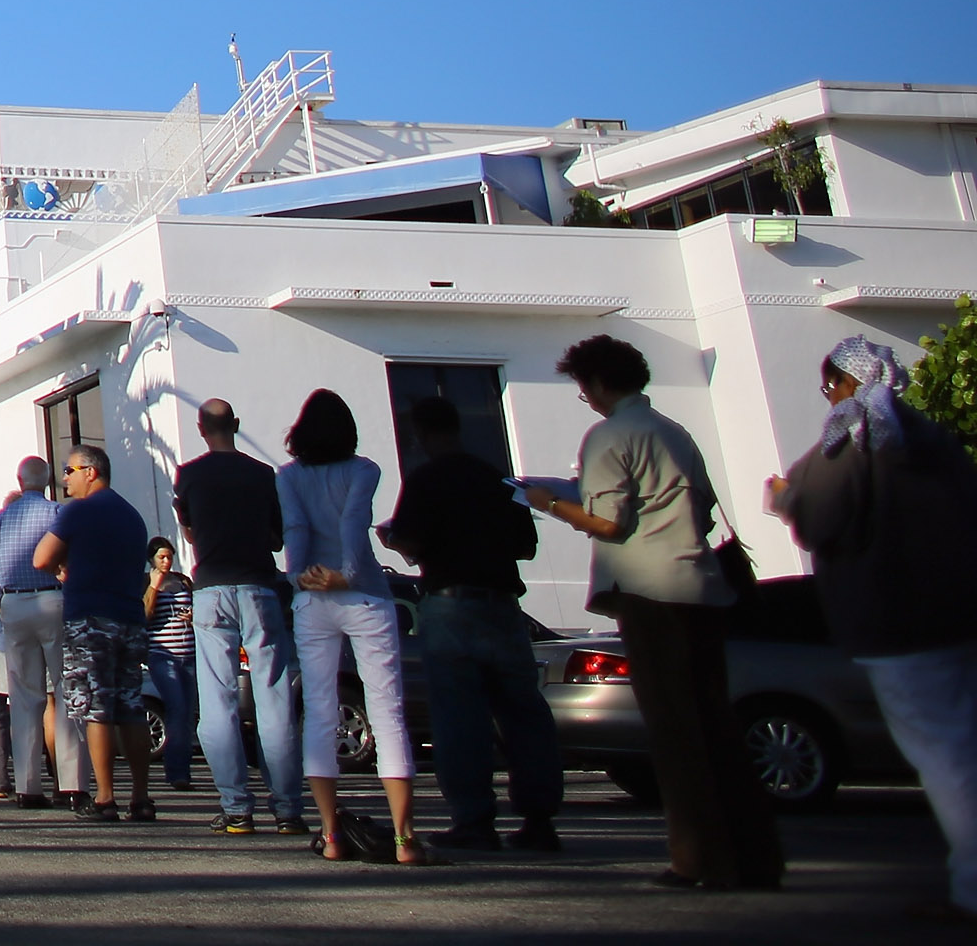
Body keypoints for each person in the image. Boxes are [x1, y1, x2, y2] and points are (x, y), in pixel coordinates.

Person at [523, 333, 780, 892]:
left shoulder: (609, 436)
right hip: (701, 587)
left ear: (595, 383)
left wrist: (552, 504)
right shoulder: (675, 431)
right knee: (717, 726)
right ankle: (754, 854)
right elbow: (705, 508)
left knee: (675, 732)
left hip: (648, 591)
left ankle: (697, 859)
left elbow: (609, 523)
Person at [768, 336, 977, 920]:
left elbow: (823, 521)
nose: (826, 396)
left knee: (945, 756)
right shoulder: (929, 437)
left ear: (844, 382)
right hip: (959, 610)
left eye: (828, 385)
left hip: (898, 621)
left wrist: (787, 501)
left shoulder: (851, 439)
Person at [382, 394, 564, 854]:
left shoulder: (425, 480)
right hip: (503, 604)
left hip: (450, 602)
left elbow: (411, 538)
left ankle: (474, 818)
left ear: (420, 434)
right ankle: (539, 818)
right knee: (524, 712)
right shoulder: (495, 479)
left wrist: (396, 541)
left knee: (460, 717)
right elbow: (526, 545)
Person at [280, 389, 429, 866]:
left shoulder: (288, 476)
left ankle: (331, 833)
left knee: (320, 713)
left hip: (312, 595)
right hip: (363, 593)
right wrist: (346, 571)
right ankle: (405, 839)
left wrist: (298, 576)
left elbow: (295, 528)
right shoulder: (365, 470)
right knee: (386, 709)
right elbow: (354, 520)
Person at [174, 397, 303, 836]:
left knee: (217, 701)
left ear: (200, 428)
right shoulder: (264, 474)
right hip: (258, 585)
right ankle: (287, 808)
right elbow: (275, 538)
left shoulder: (189, 475)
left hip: (211, 587)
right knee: (274, 698)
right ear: (237, 424)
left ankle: (236, 806)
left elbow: (189, 531)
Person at [33, 444, 156, 823]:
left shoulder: (79, 512)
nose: (64, 480)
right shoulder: (133, 516)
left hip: (91, 619)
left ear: (91, 471)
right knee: (131, 707)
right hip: (129, 617)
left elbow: (41, 558)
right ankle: (141, 796)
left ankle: (105, 797)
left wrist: (64, 567)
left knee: (97, 708)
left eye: (69, 471)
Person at [0, 456, 70, 806]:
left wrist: (0, 608)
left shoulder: (2, 519)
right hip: (52, 599)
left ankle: (27, 787)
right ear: (47, 481)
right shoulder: (57, 513)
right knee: (64, 692)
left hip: (13, 604)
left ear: (20, 482)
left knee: (23, 699)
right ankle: (70, 785)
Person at [141, 537, 197, 795]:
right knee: (176, 708)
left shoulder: (182, 581)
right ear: (151, 559)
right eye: (161, 557)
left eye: (169, 557)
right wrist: (154, 586)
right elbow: (144, 616)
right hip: (163, 655)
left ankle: (183, 767)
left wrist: (194, 614)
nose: (166, 562)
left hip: (188, 653)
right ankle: (176, 772)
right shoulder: (147, 582)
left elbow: (196, 605)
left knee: (188, 714)